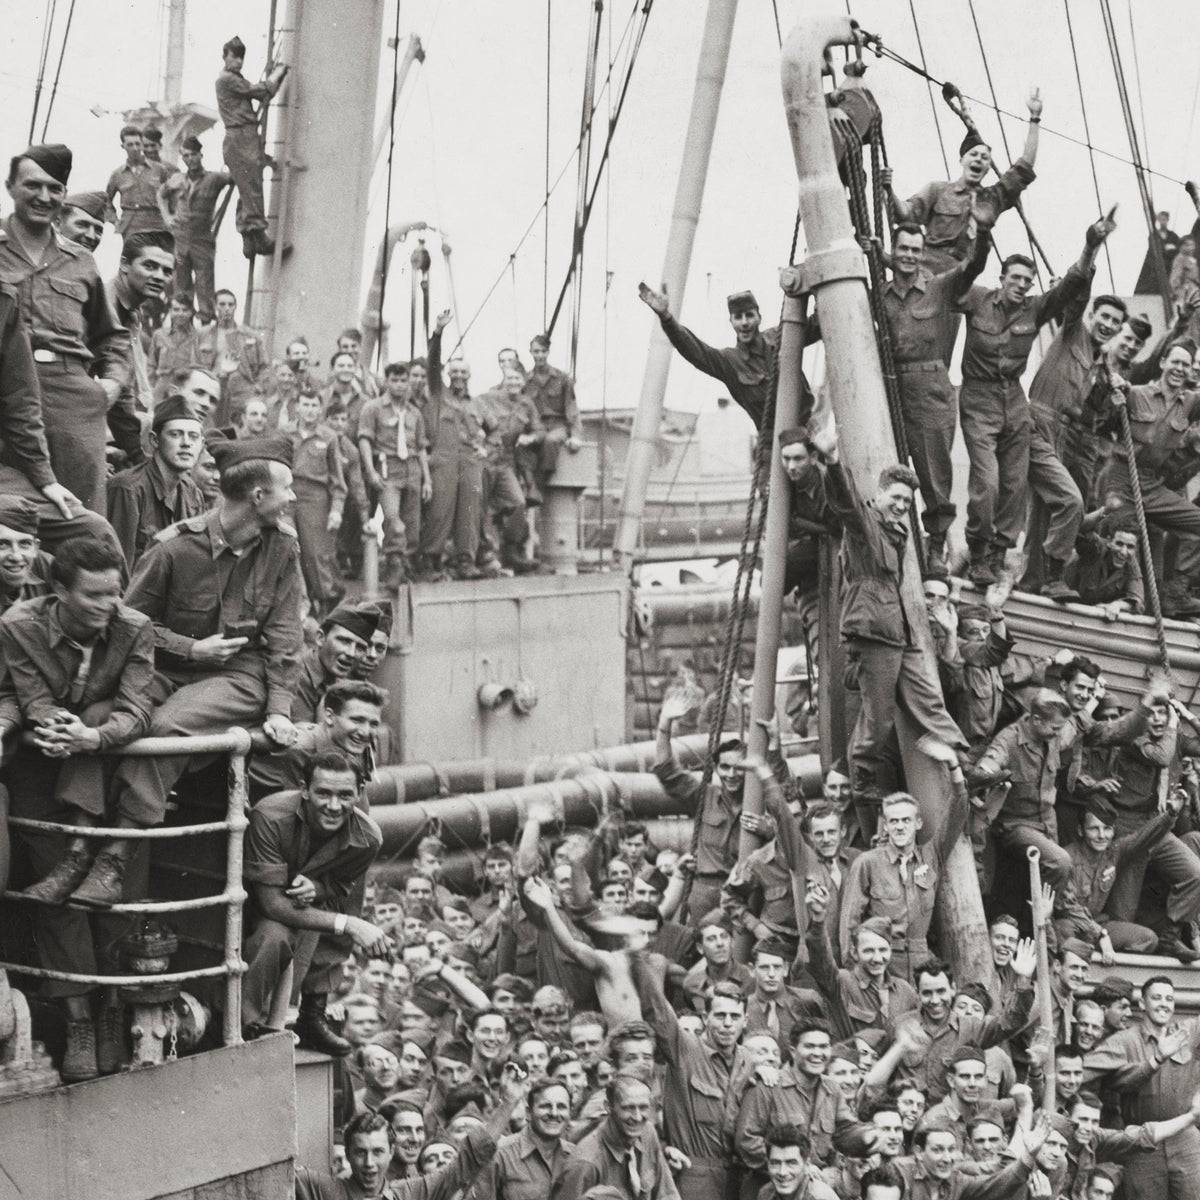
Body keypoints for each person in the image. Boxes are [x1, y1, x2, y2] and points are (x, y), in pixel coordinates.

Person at [88, 436, 302, 909]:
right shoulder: (173, 549)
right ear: (257, 497)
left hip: (241, 676)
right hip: (167, 667)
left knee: (166, 728)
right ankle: (80, 846)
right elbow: (127, 625)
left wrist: (280, 708)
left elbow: (286, 635)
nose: (293, 498)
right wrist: (190, 647)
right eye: (286, 488)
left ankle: (115, 856)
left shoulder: (283, 549)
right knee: (97, 715)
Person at [0, 535, 154, 1080]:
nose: (108, 606)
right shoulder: (19, 624)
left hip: (107, 765)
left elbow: (138, 709)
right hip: (42, 769)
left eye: (114, 592)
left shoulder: (134, 628)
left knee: (110, 895)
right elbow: (32, 695)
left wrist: (90, 736)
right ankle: (80, 1021)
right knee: (57, 898)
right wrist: (54, 727)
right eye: (93, 596)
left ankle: (112, 1010)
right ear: (58, 590)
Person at [808, 417, 968, 811]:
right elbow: (844, 503)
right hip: (874, 632)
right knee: (877, 717)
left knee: (929, 700)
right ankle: (861, 779)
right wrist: (831, 463)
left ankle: (963, 757)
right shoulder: (866, 525)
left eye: (905, 502)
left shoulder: (898, 534)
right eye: (894, 498)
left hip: (899, 633)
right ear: (879, 495)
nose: (899, 506)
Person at [954, 215, 1115, 590]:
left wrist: (1091, 245)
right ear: (1002, 279)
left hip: (1013, 398)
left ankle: (997, 554)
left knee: (1012, 485)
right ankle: (977, 550)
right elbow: (955, 284)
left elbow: (1071, 288)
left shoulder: (1033, 309)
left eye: (1029, 281)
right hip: (978, 395)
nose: (1023, 285)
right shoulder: (978, 300)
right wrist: (981, 234)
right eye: (1017, 278)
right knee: (988, 482)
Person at [0, 142, 132, 516]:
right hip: (6, 395)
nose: (44, 196)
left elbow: (112, 336)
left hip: (69, 399)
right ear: (11, 187)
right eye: (33, 186)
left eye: (54, 189)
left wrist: (111, 384)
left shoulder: (80, 261)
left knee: (82, 514)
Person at [241, 751, 385, 1048]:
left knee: (292, 934)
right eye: (323, 793)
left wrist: (319, 889)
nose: (334, 806)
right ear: (304, 789)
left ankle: (308, 1015)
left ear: (359, 794)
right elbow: (271, 904)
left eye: (345, 795)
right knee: (274, 935)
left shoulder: (367, 838)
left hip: (304, 915)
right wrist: (349, 925)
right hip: (250, 903)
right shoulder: (270, 816)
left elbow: (340, 887)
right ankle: (242, 1027)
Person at [878, 221, 991, 576]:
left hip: (931, 391)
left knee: (934, 475)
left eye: (915, 249)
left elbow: (973, 266)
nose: (909, 256)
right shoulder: (879, 296)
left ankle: (937, 548)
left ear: (922, 253)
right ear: (892, 252)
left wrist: (983, 232)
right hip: (892, 390)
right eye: (903, 248)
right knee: (886, 468)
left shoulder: (939, 288)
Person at [1024, 281, 1130, 592]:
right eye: (1104, 316)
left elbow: (1092, 411)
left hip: (1063, 433)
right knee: (1068, 501)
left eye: (1115, 321)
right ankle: (1051, 577)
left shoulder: (1100, 362)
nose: (1108, 325)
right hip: (1040, 422)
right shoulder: (1073, 332)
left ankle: (1033, 582)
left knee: (1046, 510)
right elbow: (1077, 294)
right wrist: (1092, 248)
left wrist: (1117, 393)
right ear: (1092, 315)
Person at [886, 91, 1042, 274]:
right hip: (925, 277)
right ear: (962, 160)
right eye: (973, 155)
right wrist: (888, 189)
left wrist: (1035, 118)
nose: (978, 160)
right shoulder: (937, 190)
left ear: (988, 168)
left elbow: (1024, 168)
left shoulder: (992, 199)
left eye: (985, 158)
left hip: (962, 282)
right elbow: (905, 215)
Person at [1084, 977, 1200, 1200]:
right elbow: (1085, 1069)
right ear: (1142, 1004)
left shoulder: (1187, 1032)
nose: (1164, 1004)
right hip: (1142, 1143)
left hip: (1185, 1139)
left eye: (1169, 999)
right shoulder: (1123, 1041)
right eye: (1156, 998)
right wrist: (1153, 1061)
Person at [838, 786, 966, 983]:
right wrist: (854, 971)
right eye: (893, 821)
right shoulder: (868, 863)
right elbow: (850, 921)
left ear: (918, 823)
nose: (900, 827)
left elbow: (955, 818)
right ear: (886, 826)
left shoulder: (930, 857)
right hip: (882, 961)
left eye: (906, 820)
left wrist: (957, 778)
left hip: (921, 962)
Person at [638, 283, 807, 431]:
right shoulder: (730, 362)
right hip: (772, 445)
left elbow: (818, 324)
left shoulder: (782, 336)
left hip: (809, 434)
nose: (744, 322)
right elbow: (694, 350)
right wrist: (666, 318)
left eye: (749, 315)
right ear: (731, 322)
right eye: (738, 317)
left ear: (759, 318)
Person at [736, 1017, 877, 1182]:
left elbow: (846, 1130)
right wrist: (796, 1166)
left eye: (824, 1047)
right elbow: (746, 1140)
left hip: (816, 1186)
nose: (817, 1053)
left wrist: (868, 1137)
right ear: (793, 1051)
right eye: (809, 1046)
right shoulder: (768, 1085)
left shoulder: (833, 1089)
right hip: (769, 1185)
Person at [107, 394, 206, 568]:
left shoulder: (192, 494)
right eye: (175, 434)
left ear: (201, 444)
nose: (186, 443)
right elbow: (117, 567)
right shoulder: (128, 488)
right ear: (154, 440)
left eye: (193, 437)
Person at [359, 362, 432, 589]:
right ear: (387, 381)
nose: (399, 385)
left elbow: (421, 447)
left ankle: (404, 565)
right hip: (387, 469)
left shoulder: (414, 413)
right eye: (394, 380)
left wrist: (427, 479)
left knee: (411, 524)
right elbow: (364, 440)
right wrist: (371, 471)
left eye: (403, 380)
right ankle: (393, 562)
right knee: (392, 519)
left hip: (412, 470)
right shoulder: (373, 408)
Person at [551, 1073, 681, 1200]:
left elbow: (667, 1193)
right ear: (608, 1107)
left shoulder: (647, 1132)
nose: (637, 1117)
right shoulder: (585, 1163)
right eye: (628, 1108)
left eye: (643, 1107)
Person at [250, 678, 385, 800]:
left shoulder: (356, 748)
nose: (366, 732)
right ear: (329, 716)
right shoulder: (296, 750)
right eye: (357, 720)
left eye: (374, 724)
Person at [214, 36, 287, 259]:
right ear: (225, 56)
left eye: (241, 57)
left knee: (246, 189)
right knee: (252, 188)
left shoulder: (233, 79)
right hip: (240, 135)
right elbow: (263, 91)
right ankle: (260, 238)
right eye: (234, 56)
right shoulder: (227, 79)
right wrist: (279, 73)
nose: (238, 61)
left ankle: (248, 238)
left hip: (243, 136)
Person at [421, 345, 490, 581]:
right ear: (448, 375)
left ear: (469, 375)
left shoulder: (478, 404)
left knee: (470, 512)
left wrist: (487, 449)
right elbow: (432, 364)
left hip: (471, 462)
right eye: (454, 372)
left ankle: (465, 561)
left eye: (463, 372)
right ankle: (431, 561)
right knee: (439, 511)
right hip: (444, 460)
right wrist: (438, 333)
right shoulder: (438, 395)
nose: (458, 376)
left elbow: (495, 430)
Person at [109, 229, 175, 456]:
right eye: (150, 266)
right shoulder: (104, 305)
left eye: (167, 271)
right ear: (125, 265)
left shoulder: (131, 312)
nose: (159, 276)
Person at [158, 135, 229, 324]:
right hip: (180, 238)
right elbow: (161, 194)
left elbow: (236, 177)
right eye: (186, 156)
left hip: (202, 239)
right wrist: (167, 217)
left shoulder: (214, 179)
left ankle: (206, 325)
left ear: (201, 155)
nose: (190, 159)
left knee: (204, 283)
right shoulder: (177, 179)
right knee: (181, 285)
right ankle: (184, 326)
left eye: (193, 155)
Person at [290, 389, 348, 615]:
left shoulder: (328, 437)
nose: (310, 410)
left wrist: (336, 510)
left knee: (317, 554)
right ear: (298, 407)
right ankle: (302, 605)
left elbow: (338, 481)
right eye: (305, 405)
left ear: (320, 409)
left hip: (316, 499)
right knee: (290, 550)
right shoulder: (285, 434)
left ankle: (327, 602)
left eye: (314, 405)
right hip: (288, 496)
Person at [477, 1075, 575, 1200]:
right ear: (528, 1113)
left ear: (570, 1113)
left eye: (561, 1107)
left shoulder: (575, 1157)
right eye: (545, 1106)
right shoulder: (500, 1155)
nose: (554, 1113)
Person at [293, 604, 380, 723]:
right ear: (320, 638)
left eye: (360, 647)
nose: (351, 653)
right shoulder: (294, 674)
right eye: (344, 641)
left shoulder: (341, 682)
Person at [196, 287, 268, 424]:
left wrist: (259, 388)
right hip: (215, 392)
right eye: (222, 304)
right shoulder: (204, 334)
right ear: (215, 306)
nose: (227, 308)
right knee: (214, 431)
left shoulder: (249, 335)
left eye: (231, 304)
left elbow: (264, 366)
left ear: (236, 307)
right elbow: (194, 365)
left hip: (244, 394)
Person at [520, 333, 582, 482]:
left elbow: (571, 409)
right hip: (535, 426)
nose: (540, 355)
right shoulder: (525, 381)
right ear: (531, 352)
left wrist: (575, 436)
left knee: (550, 441)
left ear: (548, 352)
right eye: (536, 351)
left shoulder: (562, 379)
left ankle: (538, 488)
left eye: (543, 351)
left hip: (557, 426)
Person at [1064, 512, 1144, 620]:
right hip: (1064, 606)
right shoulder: (1095, 548)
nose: (1124, 552)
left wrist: (1117, 605)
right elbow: (1079, 528)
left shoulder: (1131, 563)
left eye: (1130, 546)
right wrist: (1105, 510)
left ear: (1136, 549)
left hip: (1089, 614)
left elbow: (1137, 601)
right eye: (1119, 544)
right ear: (1109, 541)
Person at [103, 125, 169, 240]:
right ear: (123, 146)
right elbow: (106, 201)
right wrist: (114, 221)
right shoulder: (117, 174)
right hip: (130, 227)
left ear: (142, 144)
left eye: (138, 144)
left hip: (156, 225)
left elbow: (172, 197)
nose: (135, 148)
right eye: (130, 144)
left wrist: (170, 219)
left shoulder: (160, 170)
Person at [759, 1126, 840, 1200]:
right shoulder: (766, 1194)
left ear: (807, 1166)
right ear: (768, 1164)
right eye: (775, 1163)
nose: (782, 1172)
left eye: (791, 1163)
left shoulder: (821, 1197)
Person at [150, 297, 202, 402]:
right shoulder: (159, 335)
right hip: (161, 388)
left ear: (191, 312)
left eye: (185, 310)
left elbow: (201, 366)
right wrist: (152, 387)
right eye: (176, 310)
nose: (180, 314)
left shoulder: (198, 336)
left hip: (185, 387)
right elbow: (151, 364)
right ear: (170, 311)